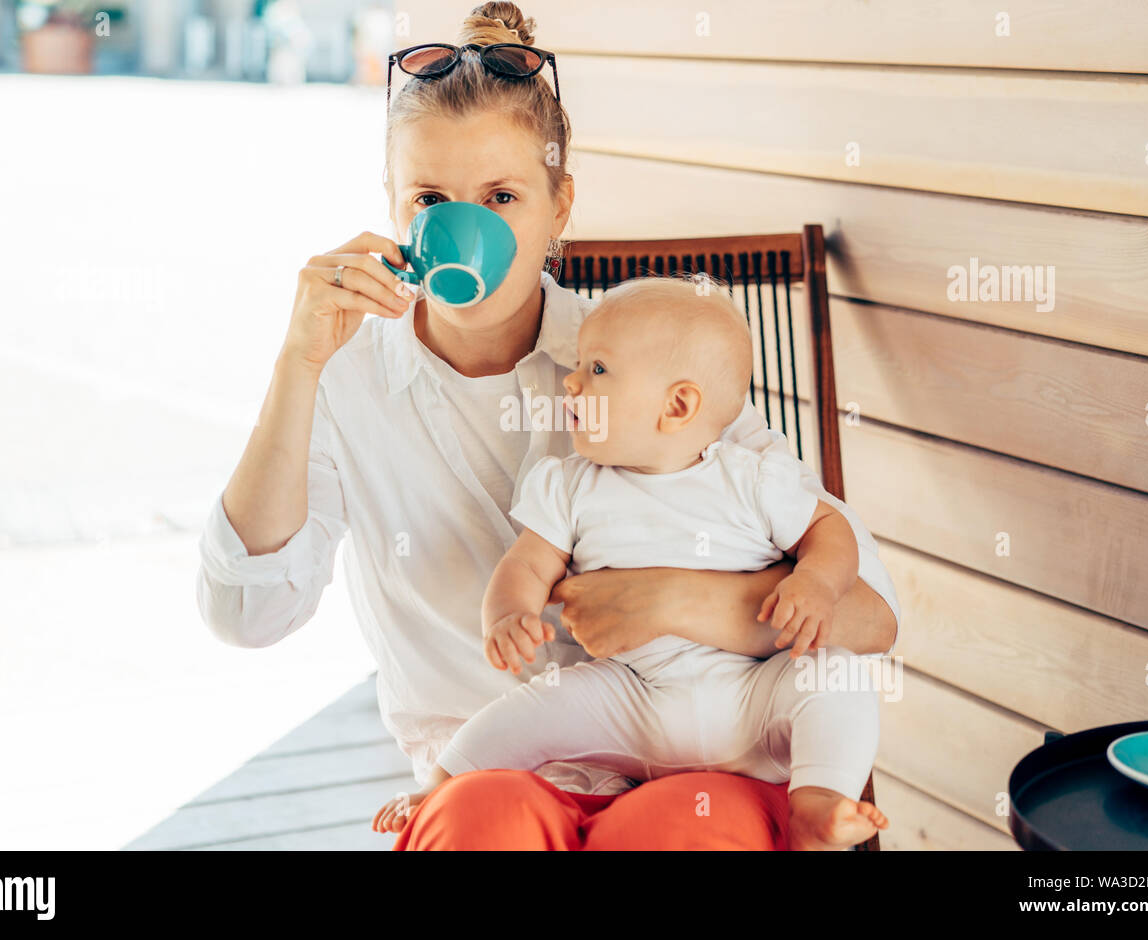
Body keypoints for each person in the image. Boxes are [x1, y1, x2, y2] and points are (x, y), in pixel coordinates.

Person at [196, 0, 901, 850]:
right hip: (489, 763)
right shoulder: (347, 377)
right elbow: (247, 614)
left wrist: (678, 599)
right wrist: (297, 365)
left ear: (559, 205)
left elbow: (868, 619)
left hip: (699, 761)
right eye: (430, 197)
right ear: (394, 209)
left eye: (503, 195)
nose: (467, 226)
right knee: (484, 826)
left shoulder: (641, 363)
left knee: (680, 832)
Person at [370, 277, 890, 849]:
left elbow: (827, 528)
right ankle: (440, 785)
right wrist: (509, 615)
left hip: (752, 695)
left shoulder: (751, 478)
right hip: (635, 695)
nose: (570, 379)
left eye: (596, 369)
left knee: (835, 679)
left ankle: (817, 807)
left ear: (677, 405)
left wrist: (816, 579)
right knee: (537, 704)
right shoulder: (572, 486)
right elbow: (526, 565)